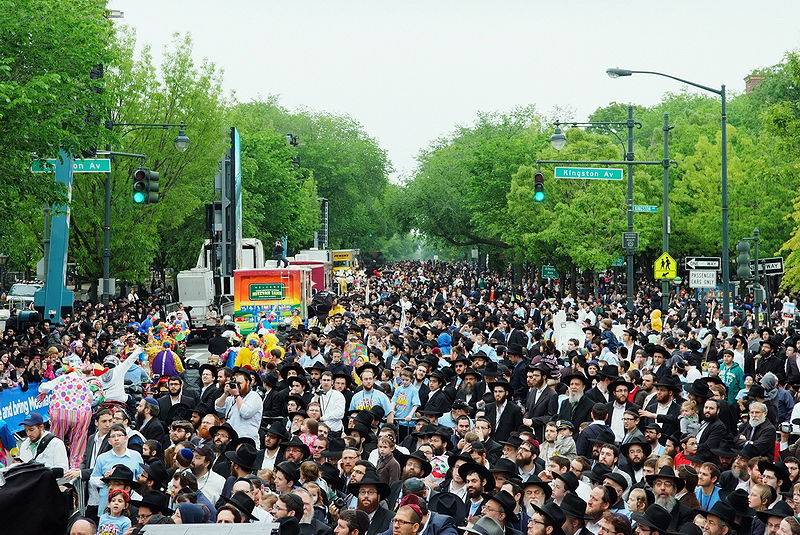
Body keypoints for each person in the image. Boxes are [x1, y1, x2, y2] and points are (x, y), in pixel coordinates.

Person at [215, 368, 263, 442]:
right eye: (235, 383)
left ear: (248, 383)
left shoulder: (254, 396)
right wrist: (225, 393)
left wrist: (237, 395)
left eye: (239, 384)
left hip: (247, 441)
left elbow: (245, 413)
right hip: (232, 440)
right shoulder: (231, 398)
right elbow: (218, 407)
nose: (237, 386)